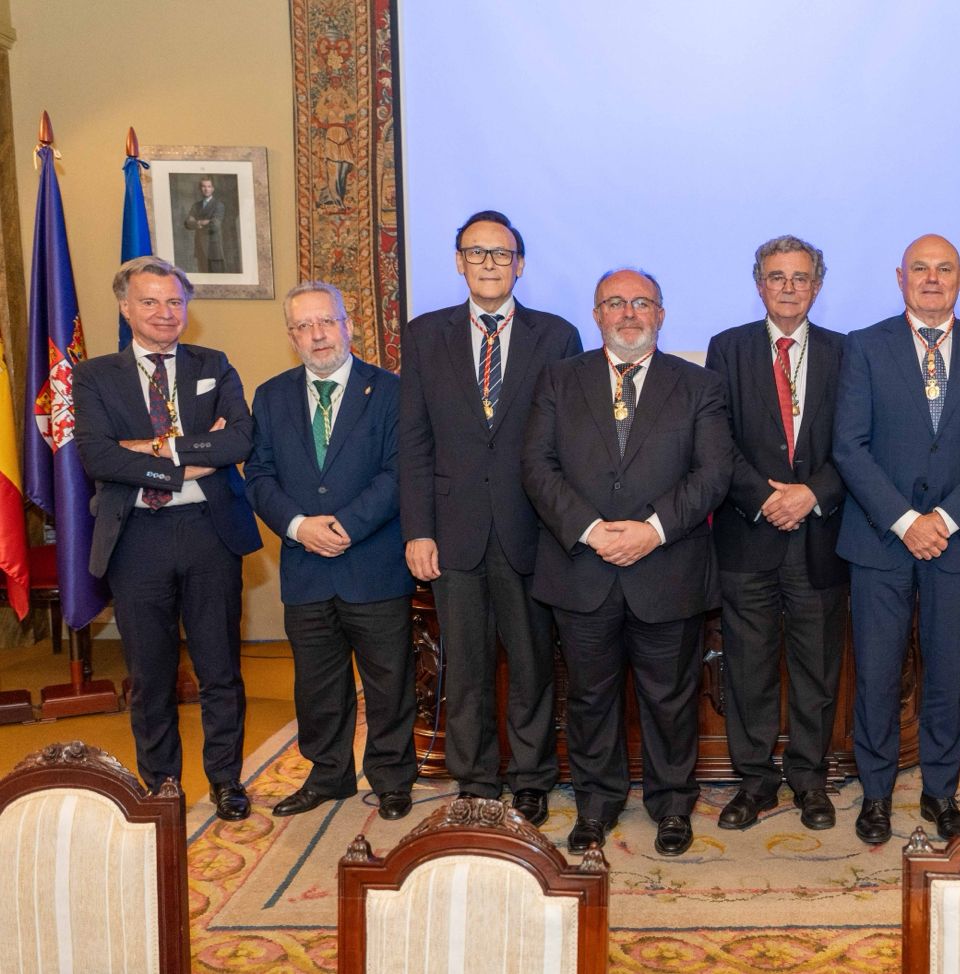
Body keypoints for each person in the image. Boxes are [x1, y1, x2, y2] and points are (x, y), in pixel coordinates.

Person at [524, 267, 733, 856]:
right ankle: (596, 804)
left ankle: (671, 806)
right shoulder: (558, 380)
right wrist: (592, 531)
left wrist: (652, 530)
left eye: (642, 302)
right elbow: (538, 468)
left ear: (661, 314)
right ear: (597, 316)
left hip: (667, 569)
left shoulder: (699, 385)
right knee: (590, 697)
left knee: (670, 697)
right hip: (582, 570)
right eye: (614, 303)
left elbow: (713, 473)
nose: (629, 313)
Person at [833, 234, 960, 844]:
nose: (932, 278)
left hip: (957, 544)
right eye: (921, 268)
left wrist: (943, 520)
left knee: (947, 675)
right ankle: (877, 795)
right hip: (879, 541)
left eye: (944, 269)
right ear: (900, 277)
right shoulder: (864, 348)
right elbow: (849, 447)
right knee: (878, 675)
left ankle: (942, 794)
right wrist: (904, 521)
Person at [399, 210, 582, 823]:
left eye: (500, 255)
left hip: (531, 528)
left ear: (520, 265)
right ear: (457, 262)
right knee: (467, 667)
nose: (488, 264)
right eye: (475, 253)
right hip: (453, 533)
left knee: (532, 662)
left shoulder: (556, 336)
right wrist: (418, 530)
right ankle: (475, 778)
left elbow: (569, 440)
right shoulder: (425, 336)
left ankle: (531, 777)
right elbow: (415, 442)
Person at [74, 256, 262, 816]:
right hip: (138, 538)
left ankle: (227, 780)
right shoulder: (94, 376)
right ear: (126, 308)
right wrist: (188, 454)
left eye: (174, 302)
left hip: (210, 533)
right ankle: (162, 787)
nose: (164, 313)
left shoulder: (214, 364)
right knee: (151, 675)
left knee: (220, 669)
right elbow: (98, 456)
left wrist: (152, 448)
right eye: (150, 302)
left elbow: (240, 442)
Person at [245, 281, 418, 821]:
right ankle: (329, 776)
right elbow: (259, 475)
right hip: (305, 567)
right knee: (317, 684)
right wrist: (298, 526)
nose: (318, 335)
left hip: (372, 563)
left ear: (350, 325)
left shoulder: (390, 391)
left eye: (327, 322)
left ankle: (391, 778)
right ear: (290, 335)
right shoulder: (271, 396)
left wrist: (343, 525)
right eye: (304, 326)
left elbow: (399, 473)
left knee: (389, 682)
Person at [705, 235, 848, 832]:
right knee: (749, 669)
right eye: (776, 276)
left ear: (817, 285)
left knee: (816, 670)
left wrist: (811, 493)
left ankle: (811, 780)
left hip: (819, 539)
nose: (788, 287)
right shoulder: (727, 349)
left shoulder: (847, 353)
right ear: (758, 283)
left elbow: (858, 444)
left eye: (800, 277)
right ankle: (756, 782)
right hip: (748, 536)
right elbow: (716, 443)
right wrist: (767, 499)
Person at [183, 177, 227, 273]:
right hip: (200, 247)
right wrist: (201, 222)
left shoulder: (218, 205)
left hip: (214, 249)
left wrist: (195, 222)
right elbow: (187, 223)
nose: (206, 189)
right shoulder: (196, 206)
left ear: (213, 189)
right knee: (203, 277)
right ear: (200, 189)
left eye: (209, 186)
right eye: (203, 186)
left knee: (216, 279)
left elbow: (215, 225)